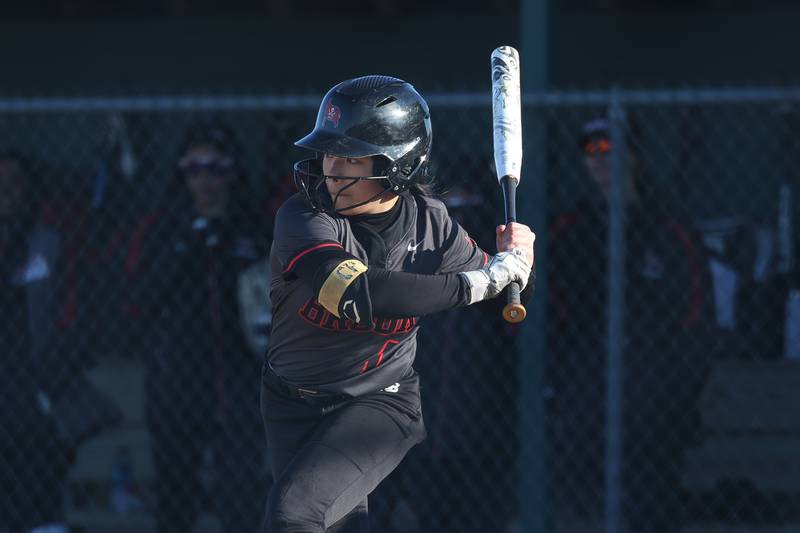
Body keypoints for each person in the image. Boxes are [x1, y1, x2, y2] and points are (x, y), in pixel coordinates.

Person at [260, 75, 535, 533]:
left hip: (379, 403)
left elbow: (504, 298)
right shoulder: (304, 217)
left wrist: (518, 261)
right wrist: (479, 281)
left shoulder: (433, 225)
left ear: (398, 164)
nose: (332, 168)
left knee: (294, 514)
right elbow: (353, 293)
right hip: (290, 401)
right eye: (329, 152)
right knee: (333, 523)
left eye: (352, 157)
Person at [547, 116, 715, 533]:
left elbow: (698, 311)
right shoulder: (570, 229)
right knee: (582, 497)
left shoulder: (668, 226)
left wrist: (679, 385)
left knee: (651, 498)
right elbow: (547, 303)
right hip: (586, 386)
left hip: (655, 390)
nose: (602, 160)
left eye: (612, 149)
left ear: (634, 156)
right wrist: (561, 375)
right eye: (592, 151)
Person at [124, 122, 271, 533]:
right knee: (175, 499)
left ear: (232, 171)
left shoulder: (252, 229)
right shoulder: (162, 228)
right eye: (195, 169)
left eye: (216, 168)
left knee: (240, 497)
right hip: (176, 385)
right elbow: (139, 299)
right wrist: (189, 242)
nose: (205, 180)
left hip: (238, 385)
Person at [0, 151, 72, 533]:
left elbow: (74, 315)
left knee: (36, 479)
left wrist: (49, 382)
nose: (6, 191)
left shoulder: (46, 243)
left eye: (14, 181)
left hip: (33, 387)